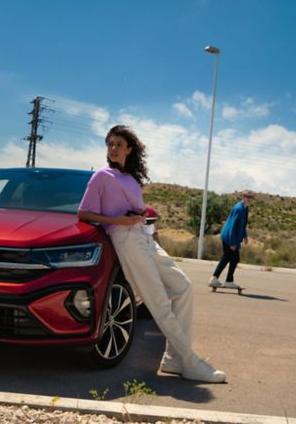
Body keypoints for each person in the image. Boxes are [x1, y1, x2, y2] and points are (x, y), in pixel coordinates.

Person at [77, 125, 226, 383]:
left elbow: (134, 209)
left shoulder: (132, 179)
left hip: (144, 236)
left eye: (118, 144)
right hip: (125, 240)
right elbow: (84, 213)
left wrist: (140, 214)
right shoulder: (101, 176)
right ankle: (190, 362)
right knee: (159, 302)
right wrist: (117, 221)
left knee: (184, 287)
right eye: (110, 144)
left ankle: (172, 359)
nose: (113, 149)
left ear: (129, 149)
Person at [209, 190, 254, 290]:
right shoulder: (239, 208)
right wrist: (232, 242)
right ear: (243, 196)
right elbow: (233, 225)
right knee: (234, 259)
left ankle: (215, 279)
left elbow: (243, 224)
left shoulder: (245, 208)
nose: (250, 199)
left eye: (251, 197)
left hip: (231, 236)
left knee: (227, 258)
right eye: (248, 196)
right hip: (229, 236)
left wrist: (244, 235)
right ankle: (228, 281)